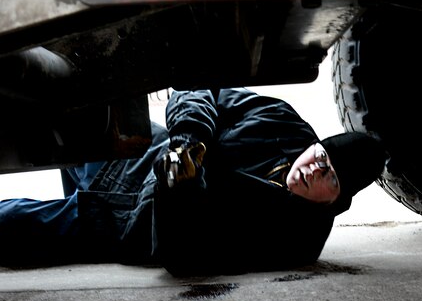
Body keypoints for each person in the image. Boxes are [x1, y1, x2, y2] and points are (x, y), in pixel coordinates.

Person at [0, 88, 386, 276]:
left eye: (330, 178)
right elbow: (200, 88)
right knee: (70, 108)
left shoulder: (296, 243)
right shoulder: (281, 120)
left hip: (125, 224)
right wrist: (188, 137)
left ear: (334, 202)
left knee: (11, 224)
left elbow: (187, 258)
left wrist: (180, 189)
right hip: (137, 155)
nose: (315, 168)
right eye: (321, 156)